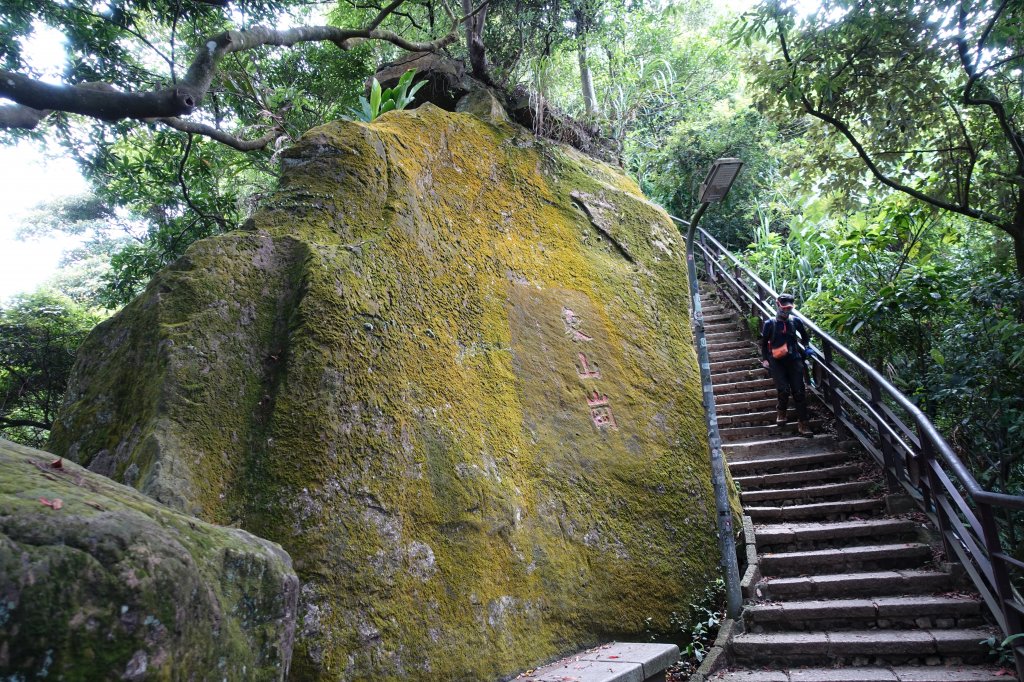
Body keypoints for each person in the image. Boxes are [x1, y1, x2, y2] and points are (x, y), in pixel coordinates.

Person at [760, 293, 813, 437]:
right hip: (776, 362)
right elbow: (764, 344)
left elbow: (805, 337)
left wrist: (807, 348)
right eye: (784, 308)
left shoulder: (796, 321)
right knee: (783, 390)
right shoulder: (769, 324)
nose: (786, 311)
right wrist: (765, 359)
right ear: (778, 305)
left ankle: (803, 424)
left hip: (794, 359)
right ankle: (781, 411)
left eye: (788, 308)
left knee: (799, 392)